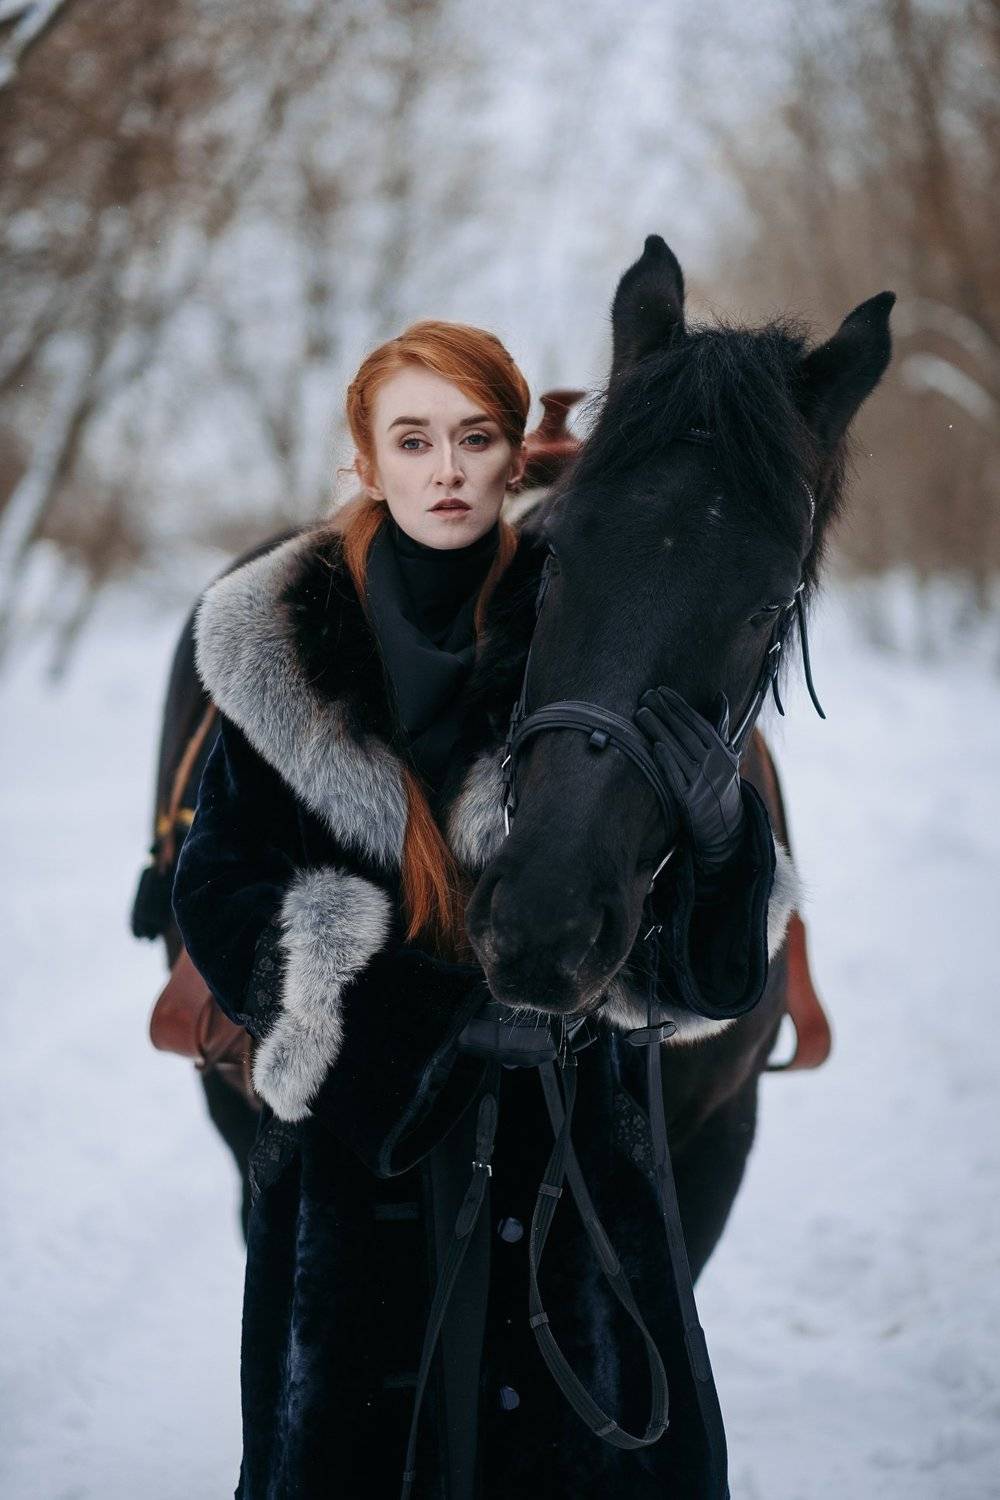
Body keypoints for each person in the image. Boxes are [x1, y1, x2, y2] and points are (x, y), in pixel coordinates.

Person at [171, 319, 790, 1499]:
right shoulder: (282, 646)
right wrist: (416, 1023)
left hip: (568, 1162)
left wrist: (722, 850)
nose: (445, 470)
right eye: (412, 441)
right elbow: (221, 882)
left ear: (520, 460)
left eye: (474, 438)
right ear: (366, 462)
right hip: (363, 1165)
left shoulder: (594, 632)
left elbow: (699, 971)